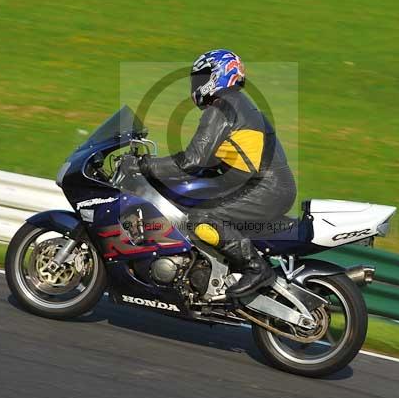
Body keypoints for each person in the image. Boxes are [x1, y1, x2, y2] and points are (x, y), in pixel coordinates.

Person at [120, 49, 297, 299]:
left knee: (201, 219)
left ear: (221, 75)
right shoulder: (238, 105)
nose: (197, 85)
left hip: (266, 190)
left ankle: (255, 269)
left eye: (203, 77)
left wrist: (144, 165)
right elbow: (208, 163)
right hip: (267, 188)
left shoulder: (223, 106)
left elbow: (192, 160)